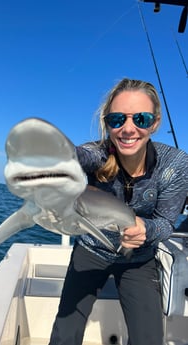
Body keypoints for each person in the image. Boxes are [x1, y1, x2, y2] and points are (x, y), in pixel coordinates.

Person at [48, 78, 188, 345]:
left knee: (148, 339)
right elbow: (77, 156)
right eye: (117, 120)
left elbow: (166, 223)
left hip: (139, 259)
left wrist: (146, 229)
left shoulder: (176, 164)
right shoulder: (97, 154)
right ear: (107, 122)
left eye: (141, 119)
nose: (128, 129)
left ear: (155, 122)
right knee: (64, 334)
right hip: (90, 250)